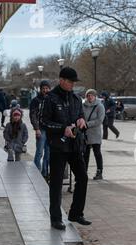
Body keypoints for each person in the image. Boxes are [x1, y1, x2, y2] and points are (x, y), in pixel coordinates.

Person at [41, 67, 91, 231]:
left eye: (74, 82)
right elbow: (44, 122)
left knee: (82, 177)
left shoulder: (76, 98)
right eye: (70, 82)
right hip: (58, 147)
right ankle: (56, 218)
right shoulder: (51, 99)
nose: (72, 85)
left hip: (75, 146)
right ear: (61, 80)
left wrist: (82, 121)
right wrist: (63, 128)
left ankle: (76, 213)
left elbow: (80, 115)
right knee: (56, 183)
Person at [30, 80, 51, 179]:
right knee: (39, 152)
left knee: (48, 153)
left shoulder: (52, 100)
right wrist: (36, 128)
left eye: (47, 88)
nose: (45, 90)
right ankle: (36, 172)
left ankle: (45, 173)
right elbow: (33, 115)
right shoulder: (35, 100)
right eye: (44, 88)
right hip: (41, 129)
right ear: (41, 89)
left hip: (50, 130)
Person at [82, 89, 105, 180]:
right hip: (85, 133)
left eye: (91, 95)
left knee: (97, 153)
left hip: (95, 133)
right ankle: (84, 172)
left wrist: (87, 124)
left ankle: (99, 171)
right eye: (88, 95)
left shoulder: (99, 106)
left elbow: (100, 120)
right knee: (85, 153)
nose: (90, 97)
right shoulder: (83, 105)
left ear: (95, 96)